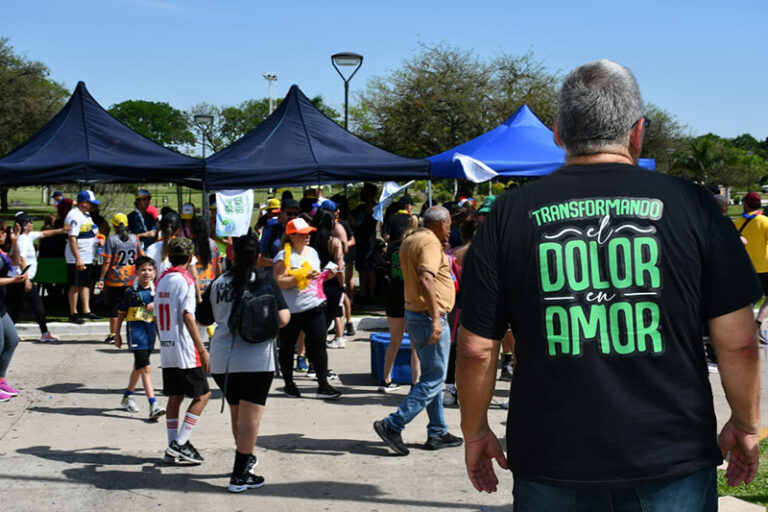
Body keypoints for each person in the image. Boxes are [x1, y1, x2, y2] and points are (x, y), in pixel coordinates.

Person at [457, 59, 761, 508]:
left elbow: (476, 347)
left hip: (551, 459)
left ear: (558, 133)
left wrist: (475, 430)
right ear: (638, 132)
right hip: (670, 458)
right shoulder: (693, 205)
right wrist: (746, 422)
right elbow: (737, 342)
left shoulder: (508, 213)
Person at [196, 233, 290, 492]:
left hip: (222, 360)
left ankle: (245, 459)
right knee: (250, 421)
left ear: (232, 254)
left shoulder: (218, 282)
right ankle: (239, 475)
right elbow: (283, 319)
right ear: (259, 256)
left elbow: (203, 319)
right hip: (256, 360)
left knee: (238, 416)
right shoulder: (263, 281)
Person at [373, 206, 462, 455]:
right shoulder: (429, 243)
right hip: (428, 317)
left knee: (430, 377)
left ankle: (438, 431)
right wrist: (435, 318)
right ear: (441, 222)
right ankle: (393, 424)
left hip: (416, 314)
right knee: (434, 378)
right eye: (449, 225)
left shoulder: (412, 239)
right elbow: (425, 278)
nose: (450, 229)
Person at [155, 237, 211, 464]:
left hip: (167, 346)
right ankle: (180, 441)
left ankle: (171, 445)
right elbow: (188, 315)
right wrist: (202, 348)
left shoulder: (162, 279)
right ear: (190, 258)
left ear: (169, 257)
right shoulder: (185, 280)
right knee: (203, 395)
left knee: (175, 396)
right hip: (185, 347)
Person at [273, 218, 342, 399]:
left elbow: (314, 279)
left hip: (313, 305)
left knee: (319, 345)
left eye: (308, 232)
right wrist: (300, 276)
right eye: (303, 234)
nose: (308, 236)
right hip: (291, 311)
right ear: (292, 236)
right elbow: (279, 282)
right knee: (287, 348)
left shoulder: (312, 252)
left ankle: (323, 384)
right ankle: (289, 384)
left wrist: (327, 276)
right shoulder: (283, 257)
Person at [114, 256, 166, 421]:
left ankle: (127, 396)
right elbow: (121, 314)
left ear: (155, 272)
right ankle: (153, 404)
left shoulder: (157, 291)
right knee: (146, 367)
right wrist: (116, 335)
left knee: (139, 367)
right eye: (143, 270)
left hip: (150, 331)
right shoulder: (130, 292)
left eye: (150, 270)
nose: (146, 273)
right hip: (136, 332)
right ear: (136, 272)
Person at [8, 212, 68, 342]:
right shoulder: (23, 240)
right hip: (22, 278)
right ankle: (45, 333)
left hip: (18, 278)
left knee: (16, 307)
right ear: (25, 224)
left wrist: (61, 230)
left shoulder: (27, 236)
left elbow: (44, 234)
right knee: (37, 305)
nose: (33, 224)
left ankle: (8, 333)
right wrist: (27, 280)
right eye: (30, 221)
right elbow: (21, 259)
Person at [378, 206, 420, 392]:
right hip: (411, 296)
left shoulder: (394, 245)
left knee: (394, 341)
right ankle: (415, 383)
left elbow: (385, 267)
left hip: (393, 294)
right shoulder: (416, 246)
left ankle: (386, 380)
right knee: (415, 343)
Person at [98, 214, 143, 344]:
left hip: (115, 279)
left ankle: (113, 334)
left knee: (115, 307)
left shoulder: (111, 240)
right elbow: (142, 255)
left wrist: (101, 278)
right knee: (134, 306)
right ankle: (136, 332)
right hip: (131, 278)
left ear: (114, 225)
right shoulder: (135, 238)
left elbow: (107, 261)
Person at [733, 191, 768, 342]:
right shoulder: (765, 221)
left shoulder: (736, 223)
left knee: (747, 299)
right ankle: (757, 323)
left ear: (745, 204)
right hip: (764, 265)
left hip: (744, 267)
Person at [309, 207, 346, 349]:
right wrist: (342, 286)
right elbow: (340, 268)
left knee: (313, 322)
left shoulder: (309, 240)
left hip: (313, 282)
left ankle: (309, 352)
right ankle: (318, 351)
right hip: (331, 283)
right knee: (326, 320)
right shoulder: (334, 242)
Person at [64, 190, 101, 325]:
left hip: (87, 255)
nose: (92, 205)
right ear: (84, 202)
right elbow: (72, 238)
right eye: (90, 203)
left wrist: (99, 239)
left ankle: (86, 310)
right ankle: (73, 313)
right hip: (76, 256)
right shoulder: (73, 215)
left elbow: (93, 231)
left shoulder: (86, 215)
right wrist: (77, 258)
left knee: (85, 283)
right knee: (75, 284)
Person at [0, 228, 26, 402]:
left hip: (1, 305)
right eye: (2, 232)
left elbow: (16, 262)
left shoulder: (1, 253)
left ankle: (1, 380)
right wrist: (13, 281)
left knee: (12, 340)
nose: (4, 236)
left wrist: (15, 242)